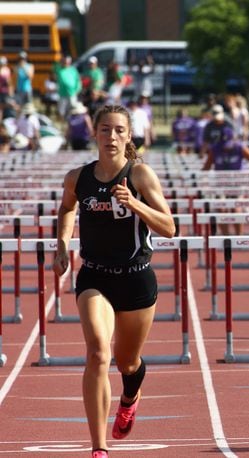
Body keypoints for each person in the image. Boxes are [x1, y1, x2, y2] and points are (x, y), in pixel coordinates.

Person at [52, 104, 176, 458]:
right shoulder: (78, 177)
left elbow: (169, 228)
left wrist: (135, 205)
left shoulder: (139, 175)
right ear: (95, 133)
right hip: (95, 277)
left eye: (119, 130)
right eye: (105, 129)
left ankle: (130, 396)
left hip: (136, 279)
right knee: (97, 353)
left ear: (129, 136)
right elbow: (66, 208)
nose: (111, 137)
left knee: (127, 363)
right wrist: (62, 245)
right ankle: (99, 447)